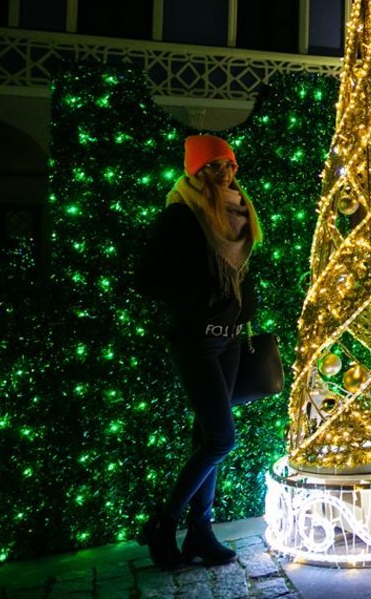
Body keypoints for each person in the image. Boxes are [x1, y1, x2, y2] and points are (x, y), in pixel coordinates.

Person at [136, 134, 263, 569]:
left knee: (206, 437)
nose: (224, 173)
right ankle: (163, 522)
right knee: (221, 439)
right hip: (195, 339)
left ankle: (200, 532)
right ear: (196, 171)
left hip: (228, 337)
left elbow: (241, 273)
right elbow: (148, 279)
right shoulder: (181, 214)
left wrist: (244, 305)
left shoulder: (240, 214)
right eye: (213, 167)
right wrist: (199, 293)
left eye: (228, 165)